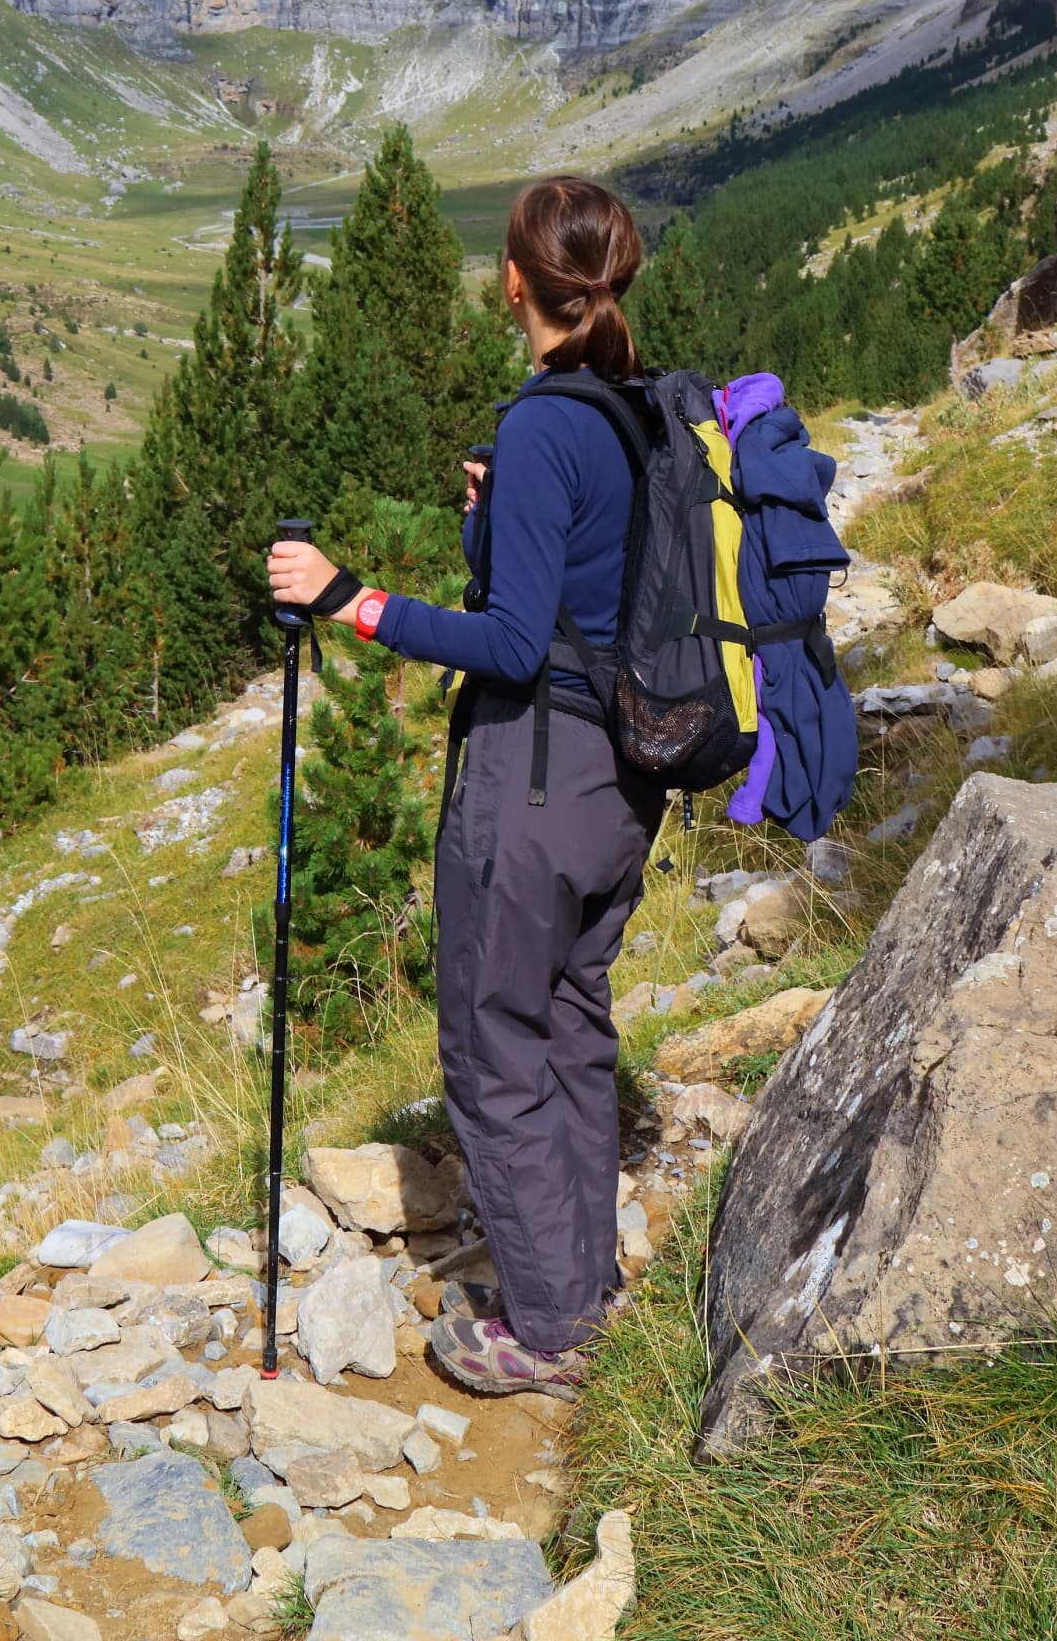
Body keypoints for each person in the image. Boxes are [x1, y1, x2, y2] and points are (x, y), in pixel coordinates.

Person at [265, 174, 655, 1396]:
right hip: (621, 787)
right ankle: (584, 1288)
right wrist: (498, 520)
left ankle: (546, 1329)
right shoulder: (630, 412)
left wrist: (350, 598)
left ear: (514, 282)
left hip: (531, 781)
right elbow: (587, 591)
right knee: (574, 1029)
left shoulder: (547, 421)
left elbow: (514, 642)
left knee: (491, 1049)